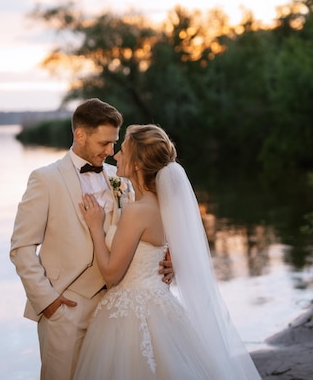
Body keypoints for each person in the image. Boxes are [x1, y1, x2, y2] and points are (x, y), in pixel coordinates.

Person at [74, 124, 262, 379]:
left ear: (138, 164)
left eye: (124, 150)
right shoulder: (164, 205)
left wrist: (96, 228)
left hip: (130, 313)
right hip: (161, 305)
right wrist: (176, 263)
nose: (116, 154)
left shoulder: (137, 211)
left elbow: (110, 274)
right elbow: (177, 246)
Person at [9, 99, 174, 380]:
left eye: (114, 143)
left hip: (116, 311)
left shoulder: (121, 179)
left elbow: (146, 231)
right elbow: (21, 247)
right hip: (65, 311)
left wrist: (170, 260)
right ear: (80, 135)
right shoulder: (45, 179)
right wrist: (47, 301)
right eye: (104, 143)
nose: (111, 151)